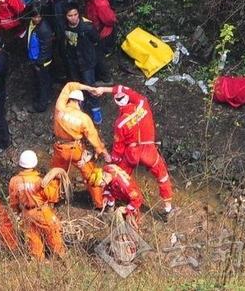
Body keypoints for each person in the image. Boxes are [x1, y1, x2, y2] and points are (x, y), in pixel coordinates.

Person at [92, 84, 174, 220]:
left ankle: (111, 203)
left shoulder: (120, 123)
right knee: (162, 176)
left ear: (118, 104)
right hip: (149, 150)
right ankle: (168, 208)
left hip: (132, 153)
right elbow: (123, 88)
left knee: (117, 175)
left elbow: (118, 148)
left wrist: (114, 163)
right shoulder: (143, 104)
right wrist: (106, 89)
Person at [52, 82, 110, 209]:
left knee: (56, 174)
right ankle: (99, 203)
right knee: (91, 174)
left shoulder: (59, 108)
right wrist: (103, 152)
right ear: (80, 102)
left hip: (59, 149)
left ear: (69, 99)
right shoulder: (83, 118)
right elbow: (94, 138)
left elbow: (69, 85)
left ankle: (54, 199)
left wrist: (88, 88)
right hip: (75, 150)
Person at [8, 150, 65, 261]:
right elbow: (52, 197)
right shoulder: (39, 181)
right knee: (53, 231)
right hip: (42, 211)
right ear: (35, 163)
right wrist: (55, 182)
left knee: (33, 236)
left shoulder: (14, 181)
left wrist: (19, 212)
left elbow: (13, 201)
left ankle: (37, 260)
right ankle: (59, 256)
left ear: (20, 164)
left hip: (26, 213)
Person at [63, 3, 102, 123]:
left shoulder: (87, 27)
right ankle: (80, 107)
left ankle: (96, 109)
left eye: (75, 14)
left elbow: (96, 40)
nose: (73, 18)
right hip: (73, 61)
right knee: (76, 86)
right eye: (70, 15)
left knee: (90, 85)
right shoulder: (64, 27)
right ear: (66, 16)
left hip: (86, 61)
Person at [89, 164, 143, 229]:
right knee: (109, 196)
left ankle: (135, 227)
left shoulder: (125, 186)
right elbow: (107, 187)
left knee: (129, 217)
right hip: (116, 189)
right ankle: (110, 212)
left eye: (101, 184)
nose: (102, 186)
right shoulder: (107, 170)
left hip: (132, 197)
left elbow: (138, 199)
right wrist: (106, 196)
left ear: (104, 177)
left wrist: (127, 210)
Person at [82, 0, 117, 83]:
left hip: (101, 31)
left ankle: (106, 78)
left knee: (98, 55)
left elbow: (110, 19)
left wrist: (99, 32)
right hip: (94, 27)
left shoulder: (100, 3)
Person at [26, 5, 53, 113]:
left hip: (42, 62)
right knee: (42, 81)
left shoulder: (44, 29)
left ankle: (41, 106)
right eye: (34, 17)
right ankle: (45, 98)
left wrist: (38, 63)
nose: (37, 19)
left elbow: (45, 49)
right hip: (35, 58)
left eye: (39, 17)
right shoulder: (32, 24)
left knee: (42, 83)